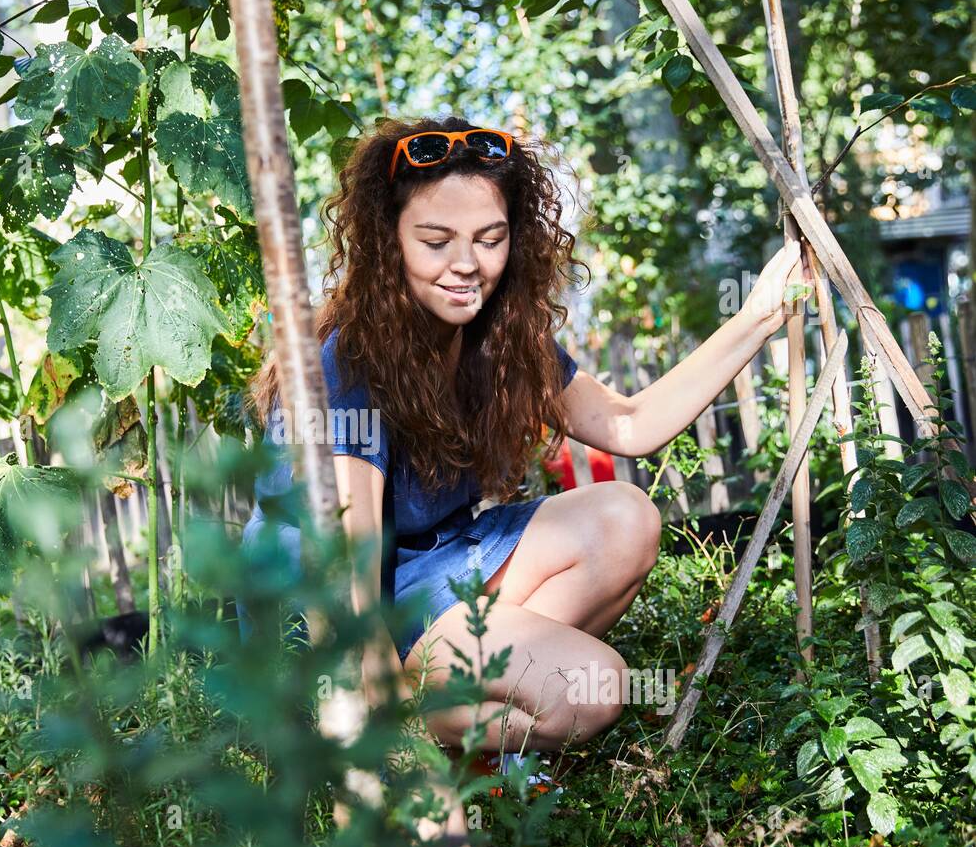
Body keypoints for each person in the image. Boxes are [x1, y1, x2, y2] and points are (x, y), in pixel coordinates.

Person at [239, 115, 802, 759]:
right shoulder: (348, 368)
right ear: (388, 243)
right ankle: (399, 733)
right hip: (321, 614)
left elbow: (631, 424)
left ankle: (471, 710)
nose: (466, 265)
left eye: (489, 239)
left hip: (429, 571)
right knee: (595, 688)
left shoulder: (495, 341)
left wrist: (758, 317)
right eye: (436, 240)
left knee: (624, 517)